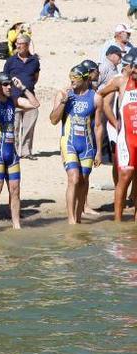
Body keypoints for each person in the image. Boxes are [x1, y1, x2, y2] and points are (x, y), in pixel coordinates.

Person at [0, 73, 40, 231]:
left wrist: (23, 88)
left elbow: (35, 104)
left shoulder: (12, 101)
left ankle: (16, 226)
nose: (9, 87)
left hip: (12, 153)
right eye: (6, 84)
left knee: (15, 189)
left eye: (10, 84)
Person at [49, 64, 103, 225]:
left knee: (83, 180)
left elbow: (99, 126)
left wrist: (99, 151)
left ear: (85, 79)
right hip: (69, 142)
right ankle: (71, 220)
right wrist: (63, 103)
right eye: (70, 78)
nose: (72, 82)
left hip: (87, 145)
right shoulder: (64, 94)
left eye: (75, 79)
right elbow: (53, 120)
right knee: (74, 178)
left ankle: (78, 218)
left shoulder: (95, 97)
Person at [100, 51, 137, 222]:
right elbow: (100, 95)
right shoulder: (121, 82)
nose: (135, 72)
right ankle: (117, 221)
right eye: (134, 69)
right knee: (124, 178)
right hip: (127, 140)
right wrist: (114, 121)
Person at [3, 33, 41, 158]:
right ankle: (13, 152)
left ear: (27, 45)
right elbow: (4, 79)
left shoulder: (34, 61)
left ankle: (26, 152)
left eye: (20, 44)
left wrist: (27, 87)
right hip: (14, 99)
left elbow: (35, 78)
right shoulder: (10, 61)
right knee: (14, 127)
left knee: (29, 127)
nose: (17, 46)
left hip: (29, 98)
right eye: (17, 44)